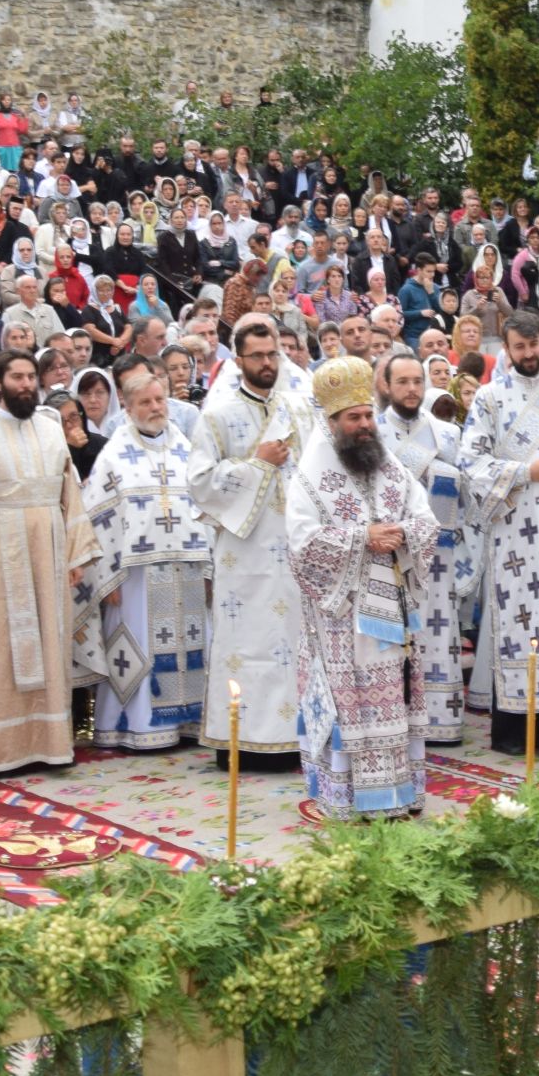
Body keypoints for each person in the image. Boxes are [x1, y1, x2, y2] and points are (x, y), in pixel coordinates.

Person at [283, 357, 441, 818]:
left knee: (394, 701)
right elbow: (301, 545)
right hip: (342, 620)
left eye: (369, 414)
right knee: (349, 709)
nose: (365, 424)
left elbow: (425, 518)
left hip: (390, 614)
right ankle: (345, 800)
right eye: (354, 417)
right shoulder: (311, 477)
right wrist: (362, 539)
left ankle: (397, 794)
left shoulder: (388, 467)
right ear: (332, 423)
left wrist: (404, 534)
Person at [0, 348, 99, 772]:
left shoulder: (51, 431)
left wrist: (74, 553)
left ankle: (50, 745)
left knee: (49, 643)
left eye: (31, 376)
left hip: (48, 550)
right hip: (0, 556)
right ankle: (2, 751)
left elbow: (70, 493)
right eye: (17, 377)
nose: (26, 384)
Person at [183, 317, 317, 768]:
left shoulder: (300, 410)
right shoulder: (217, 416)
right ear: (237, 360)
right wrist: (256, 464)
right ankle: (239, 741)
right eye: (257, 356)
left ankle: (298, 738)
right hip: (244, 556)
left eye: (272, 354)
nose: (266, 363)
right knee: (247, 645)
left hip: (294, 550)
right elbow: (200, 484)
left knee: (294, 643)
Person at [458, 309, 539, 751]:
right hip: (516, 530)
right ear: (507, 349)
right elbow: (470, 463)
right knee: (520, 625)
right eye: (519, 348)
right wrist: (525, 470)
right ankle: (515, 728)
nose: (529, 355)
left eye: (534, 346)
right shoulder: (489, 399)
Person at [80, 360, 209, 753]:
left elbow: (205, 509)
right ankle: (137, 726)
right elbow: (96, 518)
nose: (156, 407)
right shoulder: (114, 455)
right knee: (138, 649)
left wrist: (208, 567)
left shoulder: (187, 450)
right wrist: (106, 580)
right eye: (146, 401)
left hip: (186, 570)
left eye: (160, 399)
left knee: (191, 646)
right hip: (134, 577)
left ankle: (188, 720)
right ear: (129, 407)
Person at [372, 347, 471, 746]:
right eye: (403, 382)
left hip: (438, 551)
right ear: (388, 385)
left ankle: (440, 721)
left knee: (438, 627)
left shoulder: (447, 433)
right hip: (392, 550)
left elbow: (468, 490)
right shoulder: (373, 430)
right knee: (394, 635)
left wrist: (443, 476)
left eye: (418, 382)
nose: (412, 390)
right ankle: (394, 719)